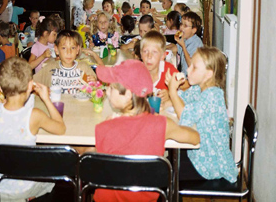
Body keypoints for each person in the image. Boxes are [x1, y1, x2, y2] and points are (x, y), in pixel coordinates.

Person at [94, 59, 200, 202]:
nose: (107, 91)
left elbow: (88, 160)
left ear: (127, 94)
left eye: (111, 87)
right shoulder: (162, 124)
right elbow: (195, 138)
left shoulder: (104, 128)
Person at [0, 57, 66, 201]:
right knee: (55, 174)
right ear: (30, 86)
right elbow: (61, 128)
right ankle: (29, 197)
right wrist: (46, 99)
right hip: (23, 189)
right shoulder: (34, 116)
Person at [166, 46, 238, 182]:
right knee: (168, 161)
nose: (187, 69)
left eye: (194, 67)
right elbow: (183, 99)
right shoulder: (199, 88)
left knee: (165, 172)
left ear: (209, 74)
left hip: (210, 165)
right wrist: (167, 100)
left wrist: (172, 92)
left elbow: (185, 115)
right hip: (198, 156)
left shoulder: (212, 95)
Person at [34, 30, 96, 94]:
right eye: (64, 48)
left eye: (72, 48)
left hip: (79, 103)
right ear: (56, 50)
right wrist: (41, 90)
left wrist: (94, 84)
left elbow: (97, 89)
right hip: (54, 103)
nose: (69, 52)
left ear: (77, 50)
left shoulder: (84, 67)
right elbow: (32, 84)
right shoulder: (49, 68)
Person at [141, 31, 188, 106]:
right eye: (145, 51)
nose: (149, 56)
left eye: (154, 52)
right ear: (140, 54)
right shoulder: (136, 72)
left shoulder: (168, 70)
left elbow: (188, 88)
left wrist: (170, 93)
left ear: (163, 56)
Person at [169, 12, 203, 76]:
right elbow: (175, 48)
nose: (181, 27)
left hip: (192, 77)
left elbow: (191, 65)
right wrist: (162, 47)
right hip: (184, 74)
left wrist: (183, 46)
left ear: (193, 30)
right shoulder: (185, 38)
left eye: (185, 26)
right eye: (181, 24)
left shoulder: (196, 43)